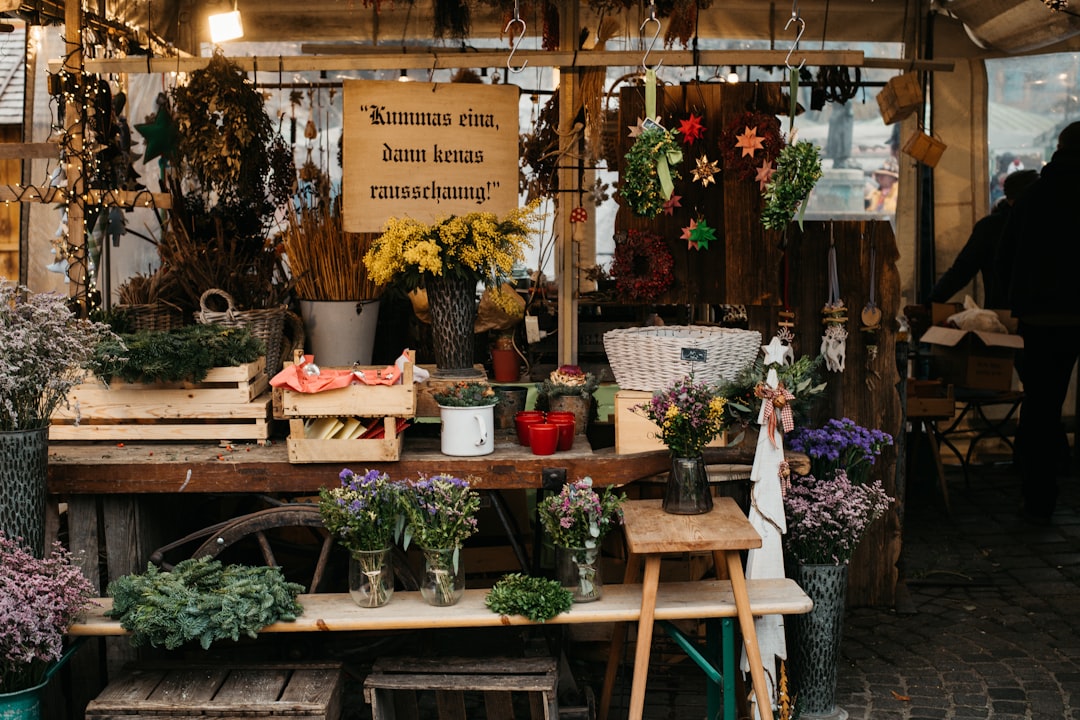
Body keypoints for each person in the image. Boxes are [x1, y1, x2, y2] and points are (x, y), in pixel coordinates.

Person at [994, 121, 1080, 523]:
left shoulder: (1031, 198)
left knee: (1041, 407)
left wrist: (1009, 309)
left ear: (1059, 149)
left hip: (1040, 317)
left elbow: (1004, 259)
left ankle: (1038, 499)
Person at [929, 169, 1039, 304]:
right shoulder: (1043, 225)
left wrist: (931, 302)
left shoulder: (989, 226)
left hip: (999, 314)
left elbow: (961, 271)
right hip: (1035, 313)